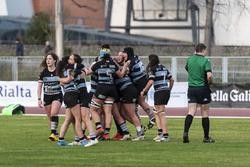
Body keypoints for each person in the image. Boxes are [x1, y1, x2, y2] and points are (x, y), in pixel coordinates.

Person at [183, 43, 215, 143]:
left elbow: (187, 68)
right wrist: (210, 83)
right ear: (203, 50)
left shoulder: (190, 59)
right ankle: (206, 137)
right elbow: (209, 76)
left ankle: (185, 133)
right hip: (202, 88)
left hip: (191, 88)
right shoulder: (206, 60)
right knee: (204, 112)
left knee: (191, 111)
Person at [141, 54, 174, 142]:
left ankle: (165, 135)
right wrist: (169, 89)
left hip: (159, 91)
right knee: (157, 112)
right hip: (165, 90)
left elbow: (151, 81)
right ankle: (160, 133)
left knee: (161, 113)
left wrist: (144, 90)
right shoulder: (163, 67)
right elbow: (172, 79)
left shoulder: (153, 69)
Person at [37, 53, 62, 141]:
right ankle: (55, 133)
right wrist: (39, 99)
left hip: (57, 95)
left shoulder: (59, 71)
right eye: (47, 59)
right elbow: (39, 86)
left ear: (55, 60)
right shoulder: (43, 72)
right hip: (47, 97)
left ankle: (52, 133)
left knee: (54, 113)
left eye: (50, 59)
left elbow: (64, 83)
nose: (48, 61)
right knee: (50, 117)